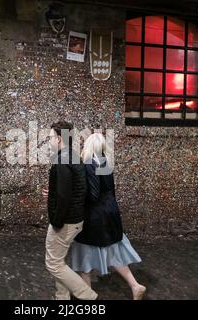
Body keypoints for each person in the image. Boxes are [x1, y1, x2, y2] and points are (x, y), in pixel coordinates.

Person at [69, 133, 147, 300]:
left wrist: (76, 198)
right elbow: (110, 191)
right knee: (113, 253)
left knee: (84, 259)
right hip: (110, 214)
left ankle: (87, 297)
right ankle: (135, 285)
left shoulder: (89, 164)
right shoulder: (105, 163)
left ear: (88, 146)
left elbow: (94, 195)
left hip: (94, 218)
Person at [43, 121, 98, 300]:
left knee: (53, 264)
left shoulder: (62, 160)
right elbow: (75, 189)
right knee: (60, 261)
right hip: (75, 219)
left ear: (59, 139)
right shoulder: (73, 156)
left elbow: (64, 197)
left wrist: (56, 222)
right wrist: (52, 193)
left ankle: (89, 296)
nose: (49, 141)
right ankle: (62, 298)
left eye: (50, 137)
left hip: (66, 221)